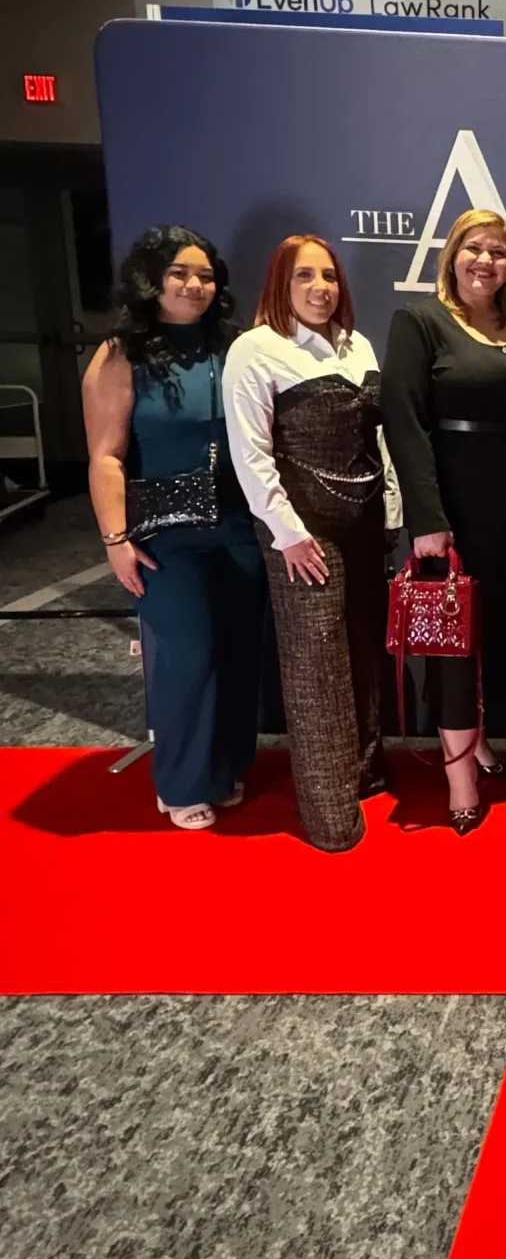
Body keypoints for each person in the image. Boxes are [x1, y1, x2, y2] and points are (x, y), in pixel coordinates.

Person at [83, 224, 266, 830]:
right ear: (152, 281)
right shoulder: (120, 355)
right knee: (190, 653)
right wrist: (116, 540)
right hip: (164, 534)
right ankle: (182, 783)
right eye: (179, 273)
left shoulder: (235, 346)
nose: (194, 285)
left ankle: (222, 767)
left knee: (238, 651)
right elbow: (106, 457)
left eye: (205, 275)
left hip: (238, 524)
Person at [380, 209, 506, 827]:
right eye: (474, 248)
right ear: (452, 254)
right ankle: (459, 781)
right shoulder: (420, 321)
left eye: (498, 252)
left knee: (500, 634)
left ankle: (478, 738)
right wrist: (427, 515)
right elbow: (404, 420)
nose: (486, 261)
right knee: (454, 643)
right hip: (453, 509)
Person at [223, 234, 391, 853]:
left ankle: (365, 772)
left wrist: (392, 508)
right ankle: (330, 814)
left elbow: (379, 438)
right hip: (302, 533)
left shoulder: (357, 345)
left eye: (328, 276)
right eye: (304, 276)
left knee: (363, 651)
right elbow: (251, 453)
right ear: (279, 283)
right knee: (316, 666)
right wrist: (287, 534)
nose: (321, 288)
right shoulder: (255, 350)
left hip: (366, 523)